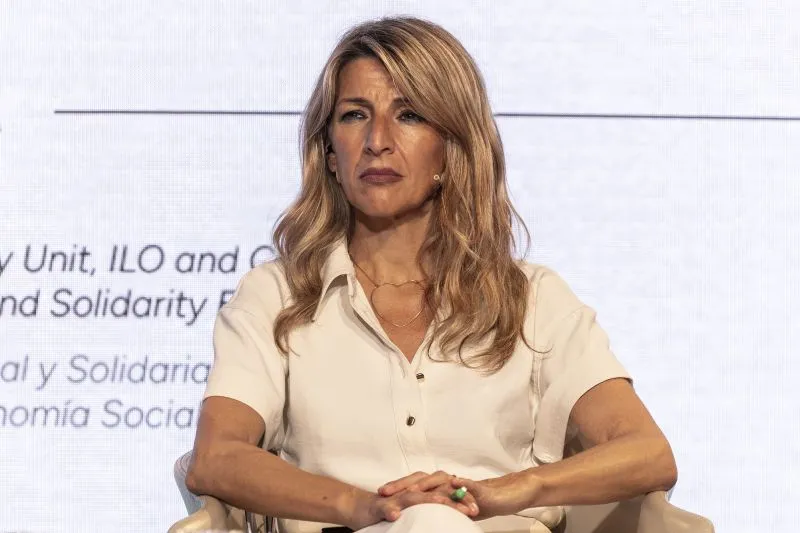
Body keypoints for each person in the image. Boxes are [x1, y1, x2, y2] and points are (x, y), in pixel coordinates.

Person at [186, 16, 678, 533]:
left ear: (451, 145)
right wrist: (363, 506)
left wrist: (512, 490)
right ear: (330, 152)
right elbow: (215, 457)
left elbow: (648, 453)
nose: (377, 140)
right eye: (354, 115)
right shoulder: (278, 296)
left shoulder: (532, 299)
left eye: (410, 115)